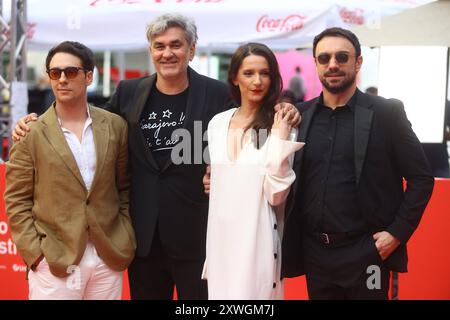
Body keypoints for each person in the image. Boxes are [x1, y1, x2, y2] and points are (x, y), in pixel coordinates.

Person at [12, 14, 300, 300]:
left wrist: (286, 108)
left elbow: (253, 115)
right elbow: (90, 124)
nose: (167, 53)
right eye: (159, 45)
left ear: (192, 49)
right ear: (150, 50)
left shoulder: (217, 94)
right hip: (143, 239)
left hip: (199, 237)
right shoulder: (128, 92)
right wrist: (34, 122)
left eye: (176, 44)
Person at [281, 27, 434, 300]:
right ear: (315, 63)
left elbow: (421, 178)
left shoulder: (387, 113)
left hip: (368, 252)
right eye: (324, 58)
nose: (333, 65)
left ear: (358, 61)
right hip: (316, 254)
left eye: (342, 57)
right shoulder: (301, 116)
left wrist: (396, 234)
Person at [3, 41, 136, 300]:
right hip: (54, 261)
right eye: (55, 73)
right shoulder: (31, 133)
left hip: (107, 256)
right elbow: (16, 200)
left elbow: (124, 187)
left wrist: (124, 233)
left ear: (88, 76)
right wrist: (36, 255)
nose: (62, 79)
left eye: (71, 72)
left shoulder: (115, 126)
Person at [202, 43, 304, 300]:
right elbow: (219, 178)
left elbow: (276, 194)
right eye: (249, 73)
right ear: (235, 77)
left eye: (265, 73)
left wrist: (280, 138)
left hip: (258, 240)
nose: (257, 81)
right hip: (220, 242)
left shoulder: (281, 123)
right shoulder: (217, 123)